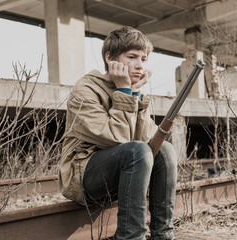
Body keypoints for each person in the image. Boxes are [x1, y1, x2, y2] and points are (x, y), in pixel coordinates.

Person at [58, 26, 177, 240]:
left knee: (165, 150)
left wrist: (136, 95)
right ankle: (131, 237)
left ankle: (163, 235)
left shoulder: (132, 90)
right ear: (109, 57)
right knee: (136, 152)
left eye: (144, 58)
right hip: (83, 175)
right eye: (132, 57)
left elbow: (147, 143)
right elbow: (117, 139)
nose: (140, 65)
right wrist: (124, 91)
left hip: (120, 171)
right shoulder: (85, 90)